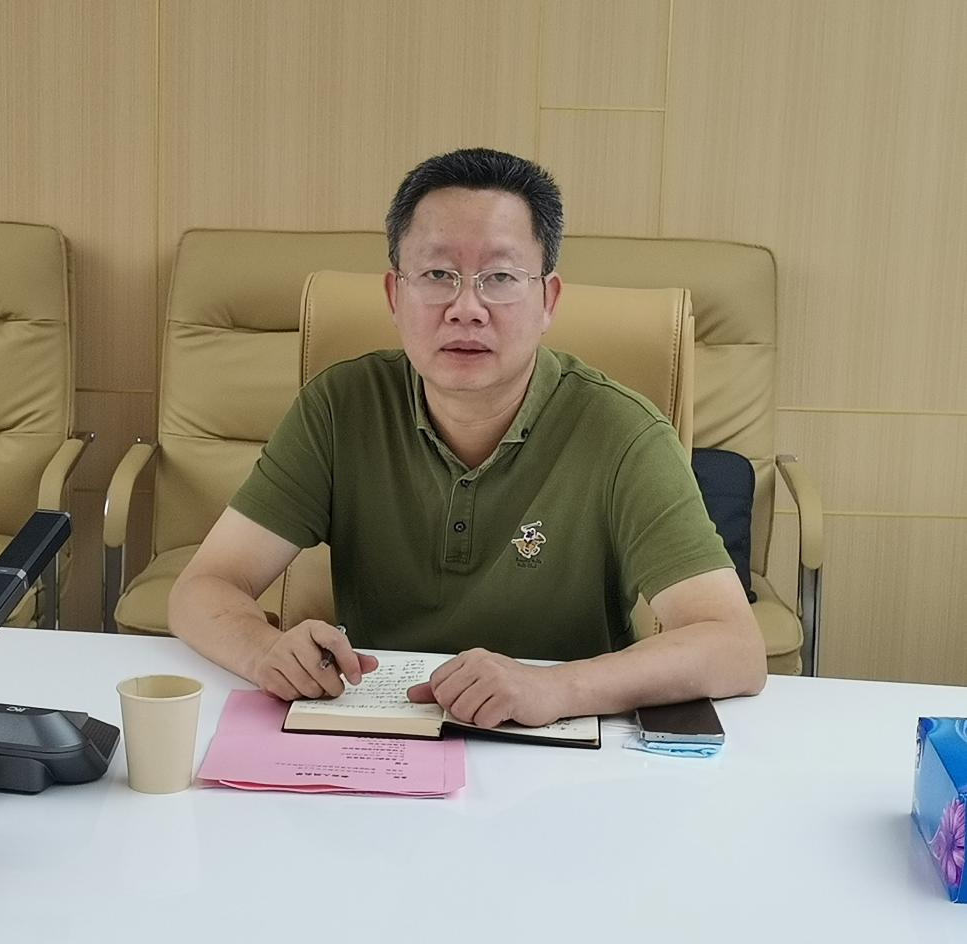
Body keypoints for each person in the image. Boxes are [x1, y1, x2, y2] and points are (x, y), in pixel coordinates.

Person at [169, 147, 766, 728]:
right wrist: (265, 653)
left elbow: (733, 645)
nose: (466, 308)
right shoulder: (340, 407)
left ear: (548, 300)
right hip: (382, 735)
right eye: (437, 274)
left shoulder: (623, 432)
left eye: (500, 277)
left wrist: (553, 688)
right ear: (394, 296)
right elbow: (205, 587)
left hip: (553, 744)